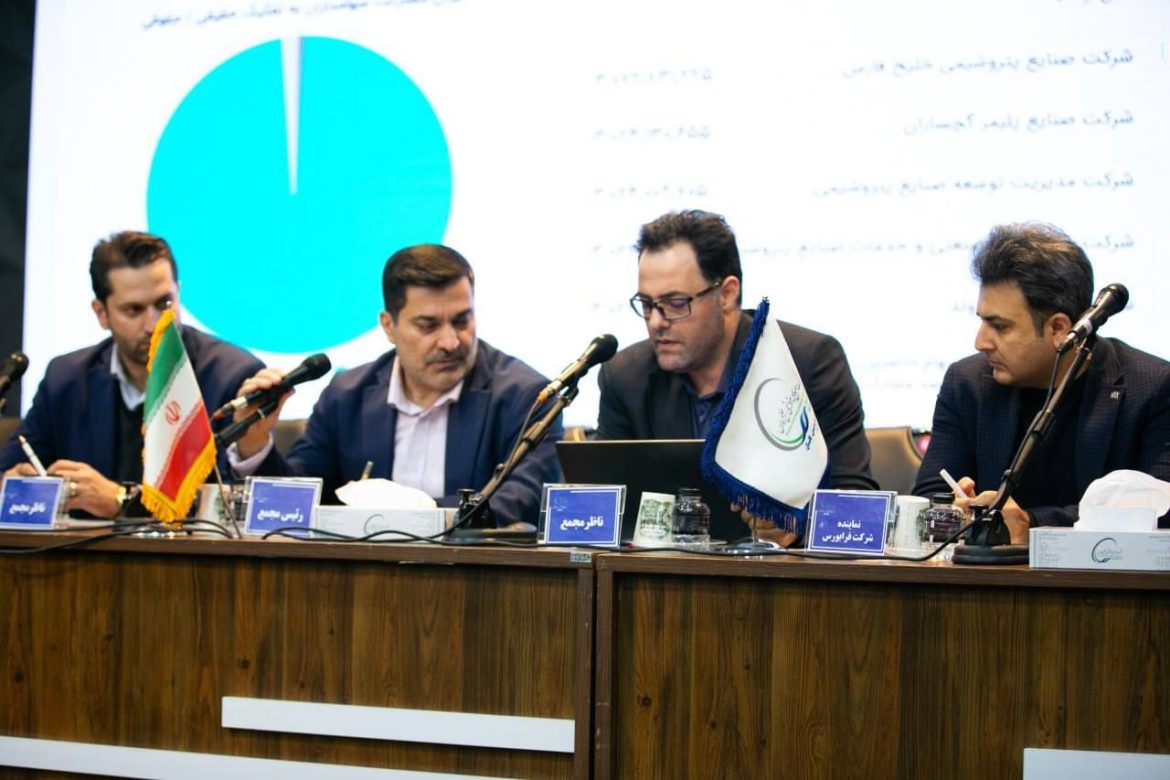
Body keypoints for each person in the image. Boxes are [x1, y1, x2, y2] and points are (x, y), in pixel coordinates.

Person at [230, 244, 562, 526]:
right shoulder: (347, 396)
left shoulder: (527, 397)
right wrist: (254, 444)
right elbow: (297, 503)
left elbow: (522, 501)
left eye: (462, 321)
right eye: (428, 325)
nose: (450, 342)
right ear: (389, 326)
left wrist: (410, 514)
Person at [596, 210, 876, 541]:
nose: (656, 321)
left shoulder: (809, 363)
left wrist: (799, 525)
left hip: (778, 569)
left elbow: (858, 501)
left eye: (675, 303)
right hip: (666, 568)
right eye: (646, 304)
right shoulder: (625, 376)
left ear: (727, 294)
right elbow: (605, 503)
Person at [914, 223, 1170, 540]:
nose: (980, 342)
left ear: (1059, 328)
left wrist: (1031, 523)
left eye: (1000, 326)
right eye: (981, 321)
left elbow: (1158, 514)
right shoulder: (966, 383)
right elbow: (928, 496)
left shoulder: (1153, 388)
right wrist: (955, 510)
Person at [0, 231, 263, 518]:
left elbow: (242, 506)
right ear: (101, 313)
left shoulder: (232, 376)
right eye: (134, 310)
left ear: (178, 294)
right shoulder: (66, 379)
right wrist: (19, 486)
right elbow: (10, 470)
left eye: (164, 304)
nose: (153, 324)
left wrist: (121, 500)